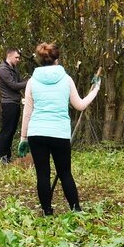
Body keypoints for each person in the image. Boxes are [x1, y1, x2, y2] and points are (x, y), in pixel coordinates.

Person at [18, 43, 100, 216]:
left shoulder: (32, 82)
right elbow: (80, 105)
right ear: (57, 59)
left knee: (42, 175)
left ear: (40, 60)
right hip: (59, 133)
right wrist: (96, 89)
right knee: (65, 173)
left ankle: (47, 212)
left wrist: (23, 138)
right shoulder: (66, 79)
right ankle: (76, 209)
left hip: (37, 133)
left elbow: (27, 112)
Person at [0, 48, 28, 164]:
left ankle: (7, 156)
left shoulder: (14, 69)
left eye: (19, 58)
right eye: (16, 57)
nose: (18, 60)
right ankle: (2, 156)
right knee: (6, 131)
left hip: (15, 103)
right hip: (8, 104)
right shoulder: (3, 70)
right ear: (9, 56)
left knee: (12, 130)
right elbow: (14, 85)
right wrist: (30, 82)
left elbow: (19, 83)